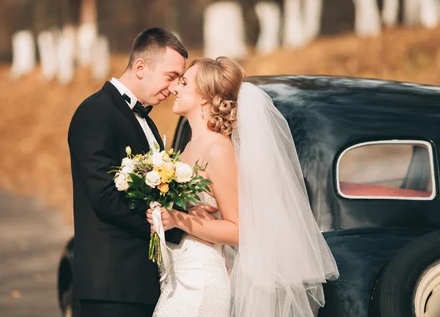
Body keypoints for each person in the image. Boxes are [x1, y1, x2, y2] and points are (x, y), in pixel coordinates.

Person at [148, 57, 340, 317]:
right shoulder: (191, 146)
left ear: (204, 96)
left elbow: (240, 230)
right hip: (181, 276)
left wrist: (178, 219)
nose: (174, 89)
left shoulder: (217, 149)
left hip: (202, 282)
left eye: (183, 83)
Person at [68, 28, 190, 317]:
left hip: (145, 284)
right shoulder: (94, 113)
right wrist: (169, 224)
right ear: (140, 67)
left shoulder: (146, 121)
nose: (174, 88)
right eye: (171, 76)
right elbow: (104, 197)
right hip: (112, 286)